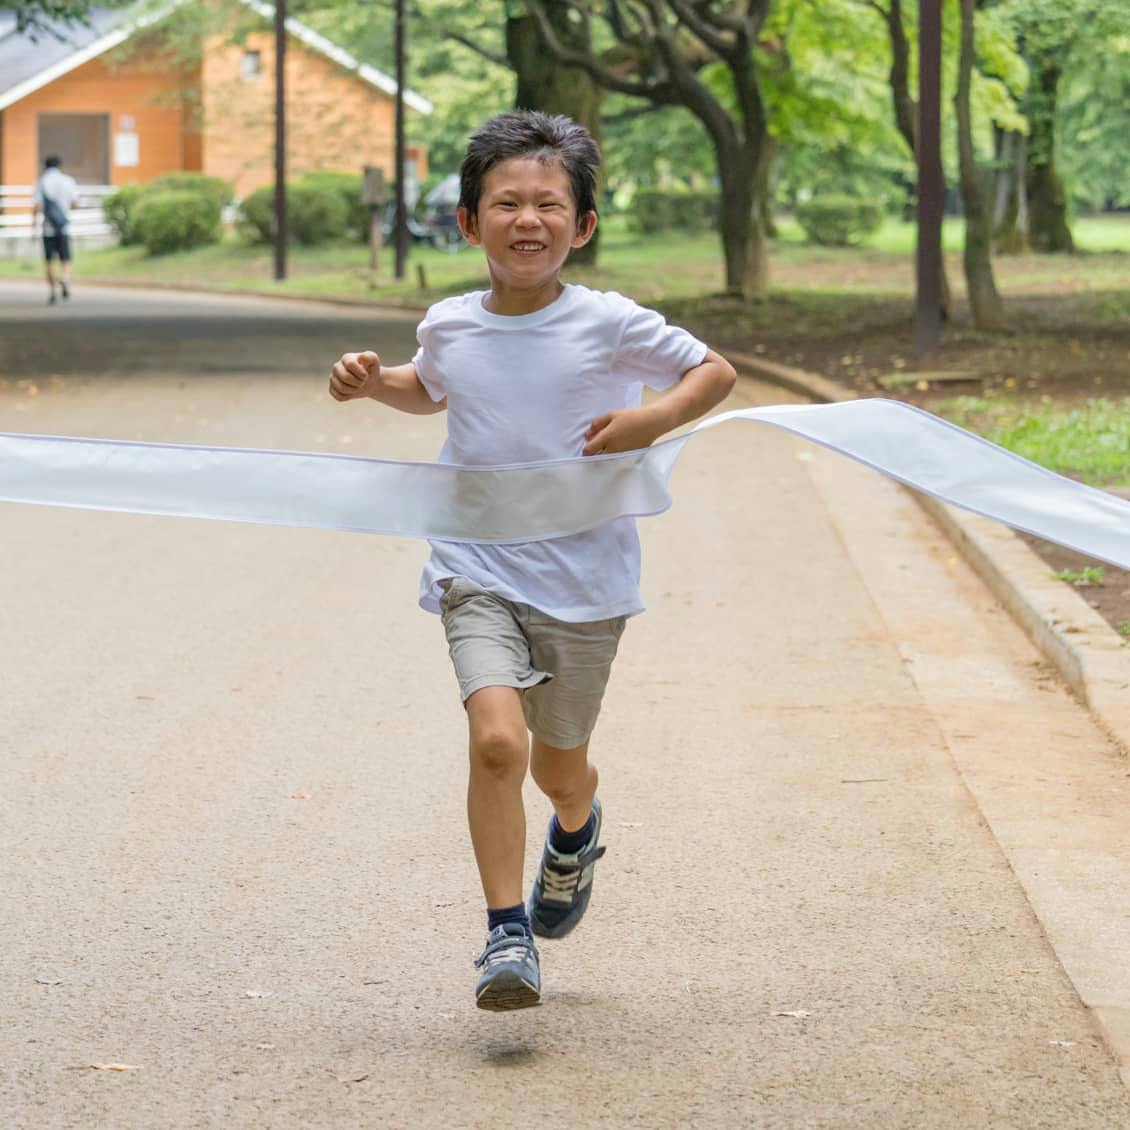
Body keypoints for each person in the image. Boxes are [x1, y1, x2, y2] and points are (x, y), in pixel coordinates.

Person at [328, 110, 736, 1011]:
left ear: (582, 225)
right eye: (505, 202)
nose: (527, 219)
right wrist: (372, 381)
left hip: (584, 582)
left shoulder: (608, 322)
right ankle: (506, 936)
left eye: (549, 204)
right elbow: (426, 390)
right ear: (469, 222)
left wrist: (654, 418)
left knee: (559, 769)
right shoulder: (450, 324)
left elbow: (715, 371)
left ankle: (577, 830)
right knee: (497, 742)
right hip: (476, 566)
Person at [31, 155, 79, 306]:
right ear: (60, 166)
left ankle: (52, 291)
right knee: (65, 257)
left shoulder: (41, 182)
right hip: (63, 226)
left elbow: (36, 206)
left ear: (45, 166)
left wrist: (33, 228)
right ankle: (65, 277)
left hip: (47, 228)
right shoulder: (68, 181)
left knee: (49, 261)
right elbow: (74, 203)